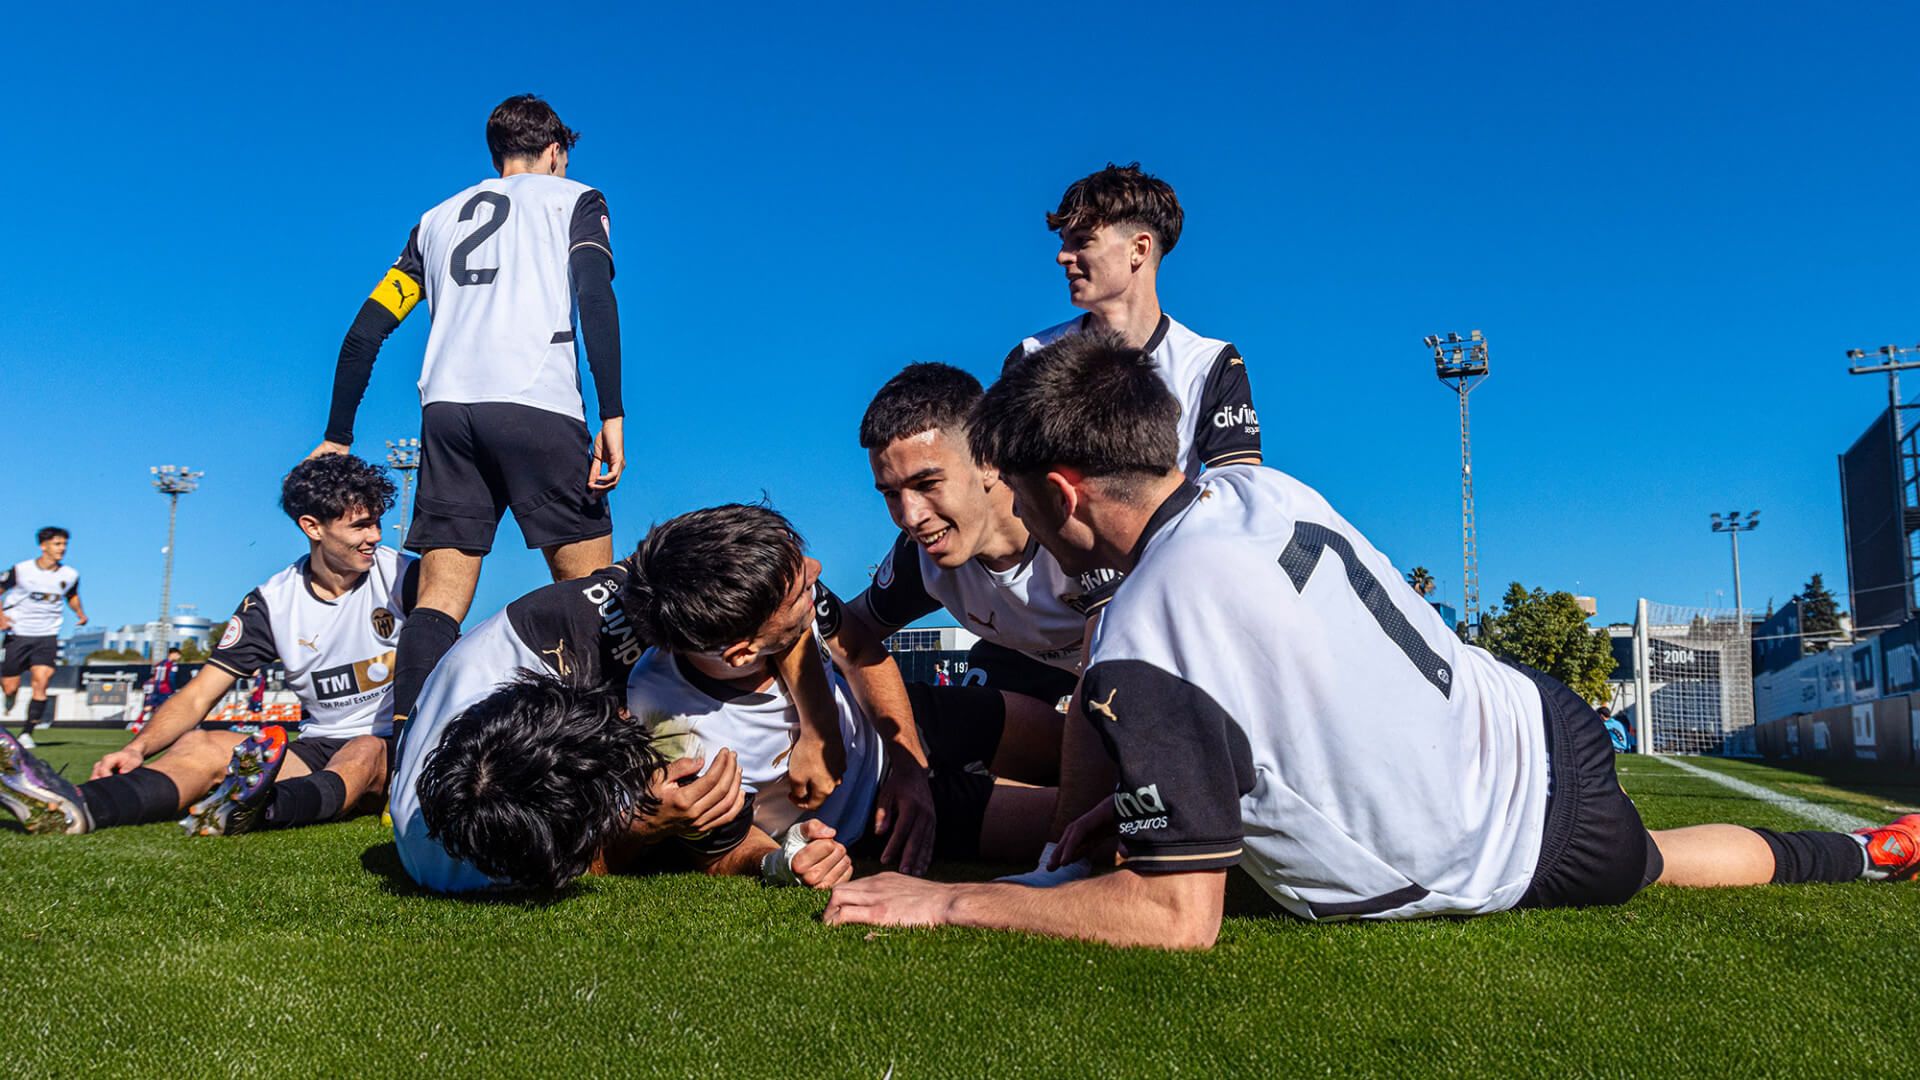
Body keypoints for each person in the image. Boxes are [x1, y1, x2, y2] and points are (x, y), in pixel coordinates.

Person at [824, 331, 1920, 949]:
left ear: (1060, 487)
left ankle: (1860, 862)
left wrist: (951, 898)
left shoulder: (1141, 633)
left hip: (1517, 843)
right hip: (1530, 712)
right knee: (1663, 855)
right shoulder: (1263, 494)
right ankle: (1867, 855)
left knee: (1660, 864)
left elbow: (1174, 918)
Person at [311, 93, 626, 728]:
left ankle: (408, 760)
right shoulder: (578, 199)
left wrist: (337, 435)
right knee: (596, 595)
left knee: (439, 600)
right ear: (556, 150)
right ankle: (604, 750)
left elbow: (364, 333)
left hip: (448, 415)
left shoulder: (434, 220)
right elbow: (594, 295)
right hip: (537, 409)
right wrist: (613, 413)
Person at [389, 529, 848, 894]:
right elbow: (595, 859)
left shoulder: (587, 625)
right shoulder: (499, 857)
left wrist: (819, 728)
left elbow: (774, 592)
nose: (630, 720)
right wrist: (641, 827)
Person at [622, 504, 1052, 878]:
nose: (816, 571)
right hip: (875, 819)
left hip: (904, 719)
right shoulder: (676, 732)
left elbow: (862, 650)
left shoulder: (777, 582)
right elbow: (719, 848)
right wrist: (785, 860)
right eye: (797, 594)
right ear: (741, 653)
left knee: (1096, 753)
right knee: (1075, 825)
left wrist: (905, 764)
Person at [0, 456, 415, 837]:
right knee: (200, 745)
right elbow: (199, 695)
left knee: (362, 750)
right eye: (360, 526)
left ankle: (259, 810)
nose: (374, 536)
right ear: (312, 527)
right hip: (317, 747)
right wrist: (136, 747)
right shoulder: (272, 602)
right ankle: (80, 804)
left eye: (377, 522)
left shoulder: (404, 576)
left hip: (399, 744)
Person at [848, 362, 1117, 882]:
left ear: (989, 461)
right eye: (889, 493)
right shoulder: (918, 557)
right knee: (941, 737)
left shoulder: (1079, 524)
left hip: (1126, 670)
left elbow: (1112, 681)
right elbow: (849, 632)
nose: (910, 515)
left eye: (927, 483)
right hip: (1025, 659)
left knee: (1117, 745)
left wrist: (1055, 868)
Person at [1005, 163, 1260, 480]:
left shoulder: (1209, 363)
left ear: (1138, 249)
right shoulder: (1031, 355)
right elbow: (1002, 486)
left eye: (1082, 241)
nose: (1062, 256)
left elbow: (1240, 492)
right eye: (1063, 242)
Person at [1, 526, 86, 748]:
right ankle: (9, 697)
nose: (62, 548)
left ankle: (27, 733)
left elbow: (72, 595)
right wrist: (1, 617)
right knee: (10, 686)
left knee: (42, 681)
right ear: (43, 546)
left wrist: (79, 612)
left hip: (47, 635)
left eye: (64, 544)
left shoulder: (70, 575)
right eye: (57, 544)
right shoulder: (21, 570)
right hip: (18, 634)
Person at [139, 647, 184, 730]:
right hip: (165, 688)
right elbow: (171, 678)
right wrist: (173, 690)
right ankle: (167, 726)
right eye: (178, 655)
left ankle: (138, 723)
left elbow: (154, 676)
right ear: (172, 654)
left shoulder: (159, 664)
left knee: (151, 706)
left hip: (156, 687)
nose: (178, 658)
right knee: (167, 708)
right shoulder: (173, 665)